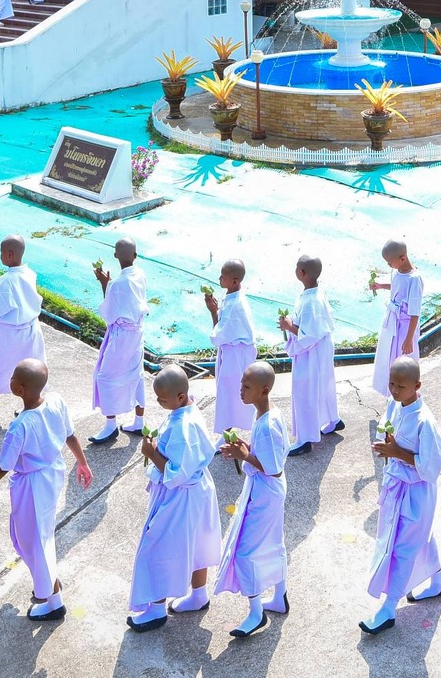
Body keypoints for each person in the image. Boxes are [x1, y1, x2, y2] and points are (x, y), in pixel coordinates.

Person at [0, 357, 94, 621]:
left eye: (13, 377)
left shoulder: (21, 426)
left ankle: (51, 597)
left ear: (21, 389)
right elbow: (70, 435)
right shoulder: (56, 401)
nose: (10, 380)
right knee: (40, 534)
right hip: (52, 474)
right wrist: (81, 462)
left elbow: (4, 465)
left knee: (34, 539)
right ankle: (51, 591)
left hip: (32, 485)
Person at [124, 364, 223, 632]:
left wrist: (151, 451)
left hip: (180, 496)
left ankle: (156, 609)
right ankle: (199, 594)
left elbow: (177, 473)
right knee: (196, 543)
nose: (158, 402)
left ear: (179, 397)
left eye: (162, 399)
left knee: (158, 548)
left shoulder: (183, 427)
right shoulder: (187, 409)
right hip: (198, 492)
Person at [362, 356, 441, 634]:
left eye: (401, 386)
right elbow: (387, 433)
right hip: (396, 485)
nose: (395, 391)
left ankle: (389, 607)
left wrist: (396, 452)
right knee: (416, 536)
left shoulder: (425, 420)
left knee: (402, 547)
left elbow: (433, 463)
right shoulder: (394, 405)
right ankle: (438, 581)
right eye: (391, 384)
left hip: (416, 491)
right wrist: (386, 445)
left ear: (417, 385)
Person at [214, 360, 288, 638]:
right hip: (271, 490)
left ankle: (257, 613)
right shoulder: (268, 414)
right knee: (273, 542)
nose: (240, 391)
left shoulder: (267, 424)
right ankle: (279, 597)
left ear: (264, 390)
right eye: (241, 385)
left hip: (265, 492)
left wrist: (243, 455)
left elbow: (273, 466)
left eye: (246, 386)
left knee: (245, 551)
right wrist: (245, 448)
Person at [0, 235, 43, 419]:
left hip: (10, 334)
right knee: (30, 371)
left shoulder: (5, 281)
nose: (1, 256)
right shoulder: (29, 273)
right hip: (31, 330)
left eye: (2, 253)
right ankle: (29, 405)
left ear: (10, 254)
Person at [89, 240, 148, 445]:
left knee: (105, 377)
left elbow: (109, 313)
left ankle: (110, 425)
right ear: (135, 255)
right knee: (136, 372)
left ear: (115, 256)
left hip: (122, 336)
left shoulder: (117, 284)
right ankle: (139, 421)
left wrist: (105, 284)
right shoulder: (140, 274)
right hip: (137, 333)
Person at [280, 255, 340, 454]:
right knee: (324, 384)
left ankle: (305, 439)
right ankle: (333, 419)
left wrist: (289, 326)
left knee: (305, 391)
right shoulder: (316, 292)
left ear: (301, 273)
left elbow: (309, 334)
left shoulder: (310, 301)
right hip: (322, 348)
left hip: (311, 351)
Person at [204, 259, 257, 435]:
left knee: (229, 395)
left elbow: (218, 336)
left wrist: (213, 313)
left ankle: (227, 435)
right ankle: (228, 433)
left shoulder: (236, 305)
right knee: (229, 394)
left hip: (236, 356)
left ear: (234, 281)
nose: (219, 279)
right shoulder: (231, 296)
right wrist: (215, 311)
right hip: (232, 352)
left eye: (223, 276)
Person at [368, 240, 423, 398]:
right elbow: (397, 285)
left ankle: (408, 396)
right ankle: (393, 395)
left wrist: (409, 339)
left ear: (402, 258)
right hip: (393, 321)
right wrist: (380, 286)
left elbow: (414, 312)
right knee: (389, 357)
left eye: (390, 262)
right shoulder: (397, 271)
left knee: (404, 362)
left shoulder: (415, 279)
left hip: (405, 326)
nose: (388, 265)